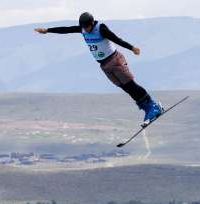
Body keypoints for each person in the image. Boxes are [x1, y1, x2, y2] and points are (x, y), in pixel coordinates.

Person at [35, 12, 163, 123]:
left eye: (87, 26)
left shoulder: (100, 28)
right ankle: (147, 109)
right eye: (83, 27)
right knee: (124, 87)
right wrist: (47, 30)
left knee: (130, 84)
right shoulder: (83, 29)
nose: (86, 29)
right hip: (104, 65)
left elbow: (116, 39)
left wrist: (132, 48)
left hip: (115, 60)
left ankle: (153, 106)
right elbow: (66, 29)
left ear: (91, 23)